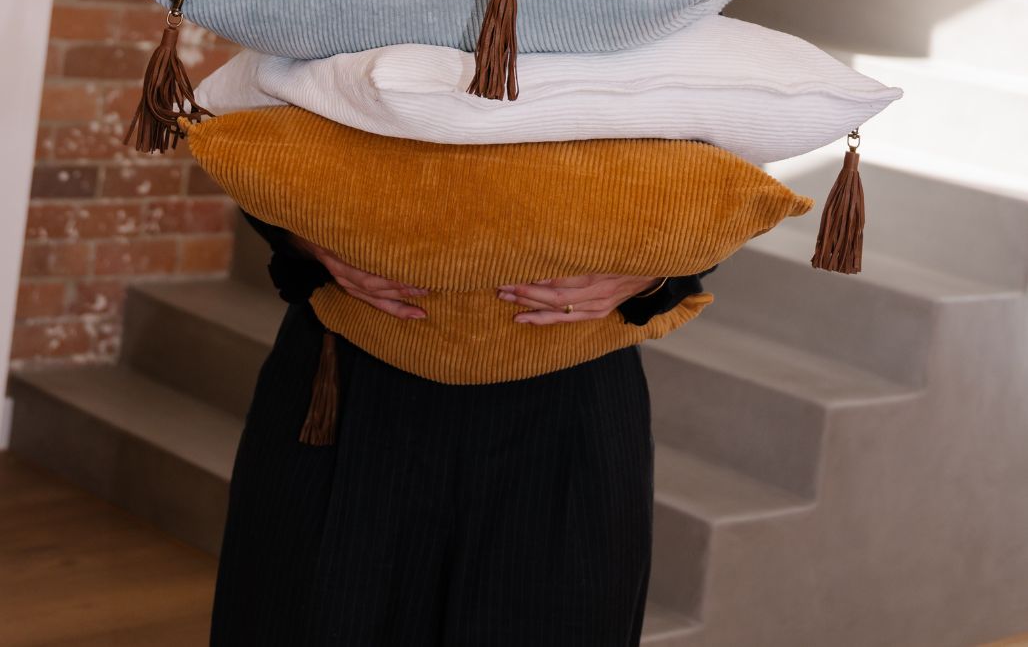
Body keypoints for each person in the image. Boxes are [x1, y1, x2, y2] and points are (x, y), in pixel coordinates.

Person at [211, 214, 713, 647]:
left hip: (570, 399)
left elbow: (714, 173)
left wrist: (654, 273)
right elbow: (253, 130)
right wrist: (306, 238)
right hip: (350, 384)